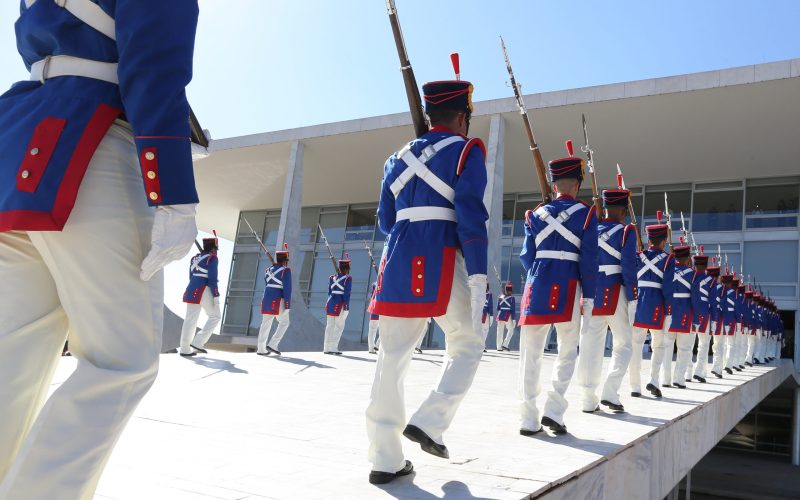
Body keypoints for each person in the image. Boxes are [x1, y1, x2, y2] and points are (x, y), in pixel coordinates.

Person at [0, 1, 199, 498]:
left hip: (19, 142)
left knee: (12, 359)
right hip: (91, 142)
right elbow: (154, 60)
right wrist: (172, 190)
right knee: (121, 362)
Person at [366, 73, 488, 484]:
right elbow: (471, 215)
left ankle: (384, 459)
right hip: (441, 257)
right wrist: (478, 274)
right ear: (462, 117)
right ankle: (431, 421)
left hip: (398, 259)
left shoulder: (395, 158)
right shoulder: (466, 150)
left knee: (391, 358)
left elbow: (386, 221)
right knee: (468, 342)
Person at [517, 144, 598, 436]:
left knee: (530, 354)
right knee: (567, 350)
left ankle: (528, 418)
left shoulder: (535, 214)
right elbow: (589, 260)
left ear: (554, 185)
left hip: (537, 283)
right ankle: (554, 411)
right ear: (576, 185)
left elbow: (526, 257)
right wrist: (589, 296)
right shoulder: (586, 214)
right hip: (568, 286)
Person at [576, 188, 637, 413]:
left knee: (589, 346)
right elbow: (628, 266)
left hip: (591, 292)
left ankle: (587, 398)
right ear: (623, 210)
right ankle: (610, 393)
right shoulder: (626, 231)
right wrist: (632, 297)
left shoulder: (592, 229)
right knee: (624, 344)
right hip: (616, 292)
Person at [629, 217, 674, 399]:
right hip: (657, 304)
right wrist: (669, 311)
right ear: (663, 241)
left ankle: (635, 386)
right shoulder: (668, 259)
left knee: (635, 346)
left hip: (639, 303)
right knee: (659, 345)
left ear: (649, 240)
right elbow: (668, 288)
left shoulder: (638, 256)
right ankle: (654, 380)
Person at [179, 237, 221, 356]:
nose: (216, 251)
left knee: (190, 320)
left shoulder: (194, 258)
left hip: (191, 290)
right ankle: (198, 342)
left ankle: (184, 349)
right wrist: (216, 295)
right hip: (204, 289)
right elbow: (212, 280)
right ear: (212, 249)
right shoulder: (212, 259)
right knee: (215, 316)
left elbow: (191, 276)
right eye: (215, 249)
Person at [667, 240, 694, 388]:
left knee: (667, 346)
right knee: (684, 348)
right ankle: (678, 378)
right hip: (684, 312)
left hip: (670, 311)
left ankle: (665, 379)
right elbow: (695, 298)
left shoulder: (668, 270)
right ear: (687, 258)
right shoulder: (692, 274)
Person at [256, 247, 292, 356]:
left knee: (265, 324)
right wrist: (287, 305)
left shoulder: (268, 270)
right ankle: (273, 344)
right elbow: (287, 289)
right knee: (285, 322)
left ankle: (261, 349)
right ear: (284, 261)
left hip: (267, 299)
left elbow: (268, 283)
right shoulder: (286, 271)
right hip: (278, 300)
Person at [691, 254, 717, 383]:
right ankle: (698, 371)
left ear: (694, 265)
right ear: (706, 266)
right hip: (704, 314)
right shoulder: (711, 281)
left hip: (690, 312)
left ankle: (687, 373)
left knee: (688, 345)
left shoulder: (690, 276)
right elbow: (713, 303)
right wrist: (714, 321)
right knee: (703, 344)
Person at [323, 257, 352, 355]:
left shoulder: (332, 278)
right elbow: (347, 294)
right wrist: (346, 307)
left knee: (329, 326)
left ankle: (326, 347)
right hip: (340, 304)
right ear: (347, 268)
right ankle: (333, 347)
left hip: (330, 303)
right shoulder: (348, 278)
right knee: (339, 326)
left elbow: (329, 292)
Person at [496, 282, 517, 351]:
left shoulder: (500, 297)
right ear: (511, 290)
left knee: (499, 331)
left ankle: (499, 347)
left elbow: (497, 308)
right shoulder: (512, 298)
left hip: (500, 315)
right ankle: (505, 344)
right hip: (508, 315)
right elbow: (513, 309)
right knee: (511, 330)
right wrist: (513, 319)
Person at [368, 281, 380, 354]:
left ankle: (371, 348)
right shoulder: (389, 282)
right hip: (382, 309)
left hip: (374, 308)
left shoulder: (374, 284)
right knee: (385, 329)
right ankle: (378, 345)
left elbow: (372, 296)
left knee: (372, 330)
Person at [481, 283, 494, 349]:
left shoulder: (478, 293)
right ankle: (482, 345)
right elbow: (490, 306)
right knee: (485, 330)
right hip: (485, 313)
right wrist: (491, 316)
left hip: (477, 313)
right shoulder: (489, 295)